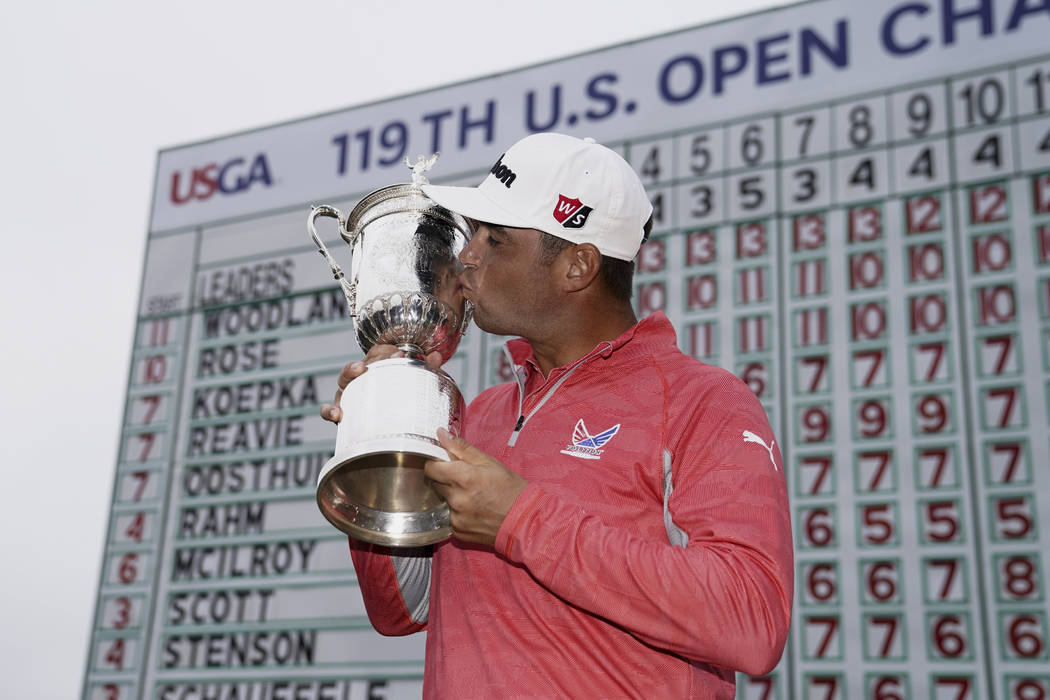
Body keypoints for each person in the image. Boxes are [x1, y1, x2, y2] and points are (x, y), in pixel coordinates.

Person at [321, 132, 793, 698]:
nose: (466, 257)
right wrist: (378, 445)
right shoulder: (477, 415)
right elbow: (403, 609)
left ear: (577, 266)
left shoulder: (702, 402)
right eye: (473, 235)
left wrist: (521, 519)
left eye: (495, 240)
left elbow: (753, 620)